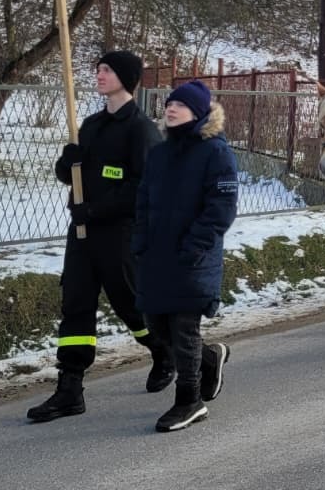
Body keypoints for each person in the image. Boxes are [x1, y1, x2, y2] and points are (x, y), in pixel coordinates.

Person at [29, 51, 169, 424]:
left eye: (107, 70)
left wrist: (95, 209)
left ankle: (165, 349)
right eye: (98, 69)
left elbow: (143, 187)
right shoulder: (89, 125)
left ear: (126, 77)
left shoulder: (141, 130)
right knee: (75, 304)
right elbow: (70, 175)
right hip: (81, 235)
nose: (99, 75)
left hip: (119, 234)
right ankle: (69, 389)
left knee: (130, 304)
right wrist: (67, 161)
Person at [131, 80, 238, 432]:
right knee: (157, 326)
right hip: (156, 255)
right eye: (169, 104)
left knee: (183, 327)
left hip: (194, 256)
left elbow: (221, 209)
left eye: (180, 105)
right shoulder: (160, 153)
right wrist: (140, 242)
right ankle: (210, 358)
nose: (170, 109)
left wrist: (194, 246)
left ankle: (190, 400)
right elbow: (144, 202)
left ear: (199, 113)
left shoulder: (216, 152)